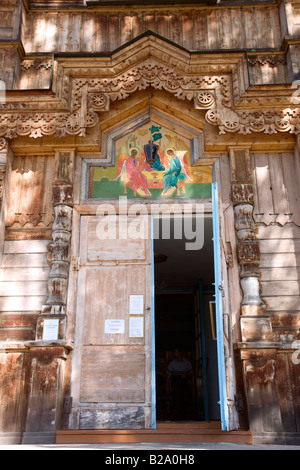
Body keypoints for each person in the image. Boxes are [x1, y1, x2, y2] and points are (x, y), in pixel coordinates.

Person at [166, 348, 193, 420]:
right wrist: (167, 386)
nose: (175, 354)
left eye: (176, 352)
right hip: (175, 382)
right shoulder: (172, 363)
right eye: (174, 352)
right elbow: (168, 376)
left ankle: (184, 416)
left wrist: (185, 375)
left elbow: (191, 372)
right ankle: (176, 416)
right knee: (176, 399)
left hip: (184, 382)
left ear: (180, 353)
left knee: (185, 398)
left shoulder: (187, 363)